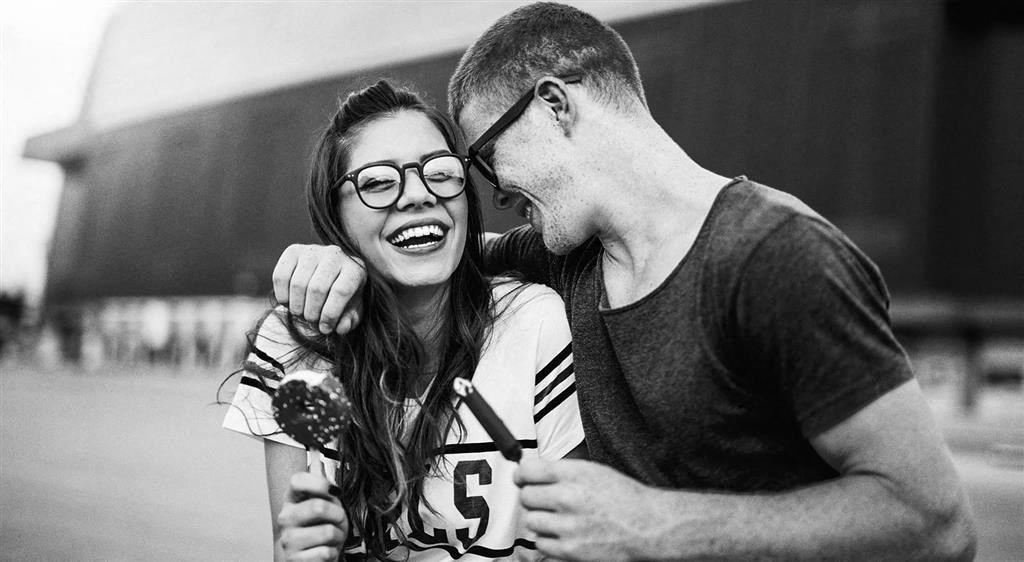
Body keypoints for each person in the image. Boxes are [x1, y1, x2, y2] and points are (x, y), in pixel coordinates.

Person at [270, 3, 977, 560]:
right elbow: (432, 250)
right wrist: (336, 261)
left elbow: (935, 522)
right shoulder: (562, 250)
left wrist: (657, 524)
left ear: (554, 105)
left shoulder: (775, 256)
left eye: (485, 157)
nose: (495, 188)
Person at [222, 80, 586, 561]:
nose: (418, 195)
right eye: (377, 182)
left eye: (441, 172)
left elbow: (578, 539)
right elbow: (286, 545)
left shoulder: (534, 321)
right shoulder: (297, 342)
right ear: (336, 217)